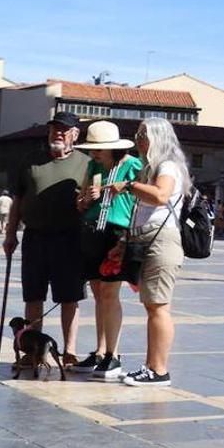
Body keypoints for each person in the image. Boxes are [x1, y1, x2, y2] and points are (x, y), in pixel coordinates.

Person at [2, 111, 90, 371]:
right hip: (35, 237)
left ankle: (70, 351)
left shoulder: (85, 164)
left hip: (69, 239)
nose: (58, 133)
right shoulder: (31, 160)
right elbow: (18, 200)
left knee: (69, 297)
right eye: (54, 129)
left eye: (64, 130)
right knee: (33, 295)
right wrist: (10, 235)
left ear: (75, 135)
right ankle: (32, 351)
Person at [115, 118, 189, 387]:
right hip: (147, 239)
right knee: (152, 305)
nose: (138, 138)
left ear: (158, 137)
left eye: (143, 134)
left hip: (161, 242)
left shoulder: (167, 166)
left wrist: (129, 185)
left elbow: (160, 196)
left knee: (159, 307)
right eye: (137, 133)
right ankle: (151, 366)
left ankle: (158, 370)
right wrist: (123, 242)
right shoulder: (151, 167)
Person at [74, 120, 142, 380]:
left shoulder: (133, 166)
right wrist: (85, 199)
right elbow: (80, 202)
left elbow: (143, 200)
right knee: (98, 293)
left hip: (117, 232)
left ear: (112, 148)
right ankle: (101, 351)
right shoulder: (93, 166)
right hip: (93, 229)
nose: (94, 154)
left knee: (110, 292)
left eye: (98, 150)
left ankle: (114, 354)